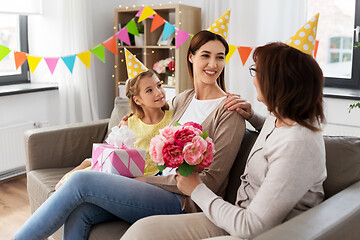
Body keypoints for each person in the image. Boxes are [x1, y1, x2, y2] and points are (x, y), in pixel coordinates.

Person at [13, 30, 245, 240]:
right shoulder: (184, 98)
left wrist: (146, 179)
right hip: (158, 186)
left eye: (220, 56)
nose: (213, 64)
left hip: (185, 201)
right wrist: (129, 121)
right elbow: (153, 116)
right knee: (81, 212)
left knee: (81, 180)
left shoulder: (229, 111)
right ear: (191, 57)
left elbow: (212, 182)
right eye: (206, 55)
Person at [120, 41, 327, 240]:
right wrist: (252, 116)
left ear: (277, 83)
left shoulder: (297, 145)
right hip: (234, 216)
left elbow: (252, 226)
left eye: (257, 72)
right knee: (143, 231)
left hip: (260, 233)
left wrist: (196, 188)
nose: (253, 79)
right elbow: (274, 132)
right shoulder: (280, 116)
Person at [54, 70, 173, 190]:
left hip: (152, 177)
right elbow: (113, 153)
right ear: (137, 100)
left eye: (159, 85)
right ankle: (81, 167)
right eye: (149, 90)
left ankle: (85, 165)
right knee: (68, 183)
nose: (158, 92)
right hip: (125, 173)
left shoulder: (174, 117)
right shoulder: (129, 122)